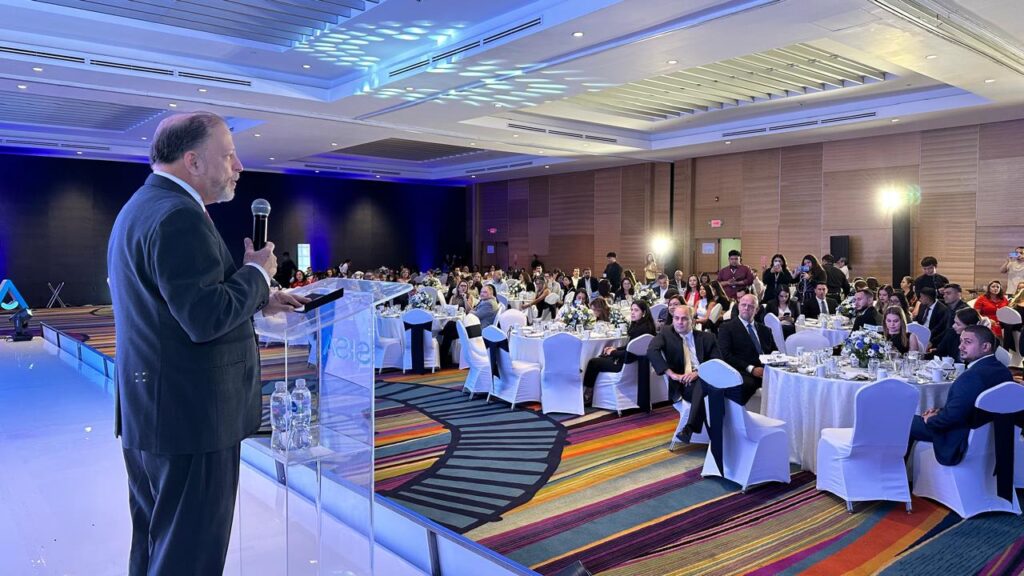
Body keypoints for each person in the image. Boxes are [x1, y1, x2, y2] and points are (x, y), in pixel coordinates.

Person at [107, 112, 308, 576]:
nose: (239, 166)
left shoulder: (144, 205)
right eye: (229, 155)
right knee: (190, 556)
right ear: (193, 161)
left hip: (156, 410)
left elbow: (178, 305)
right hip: (191, 418)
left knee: (158, 544)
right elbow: (204, 317)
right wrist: (256, 272)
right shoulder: (179, 216)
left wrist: (260, 295)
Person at [909, 325, 1012, 465]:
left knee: (904, 420)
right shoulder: (1003, 371)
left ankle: (894, 469)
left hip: (959, 437)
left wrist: (931, 419)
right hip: (994, 437)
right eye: (961, 341)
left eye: (967, 342)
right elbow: (970, 406)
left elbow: (951, 418)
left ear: (986, 346)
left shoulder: (972, 376)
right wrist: (939, 411)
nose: (960, 346)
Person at [648, 304, 722, 443]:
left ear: (692, 321)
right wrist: (672, 374)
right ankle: (702, 432)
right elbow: (652, 350)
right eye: (676, 318)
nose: (679, 322)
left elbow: (717, 361)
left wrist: (699, 373)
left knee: (704, 382)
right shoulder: (666, 334)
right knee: (706, 387)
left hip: (705, 380)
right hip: (682, 384)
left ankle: (690, 428)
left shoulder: (707, 337)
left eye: (684, 319)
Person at [582, 301, 657, 394]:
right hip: (637, 364)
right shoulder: (645, 326)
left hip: (627, 364)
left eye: (636, 310)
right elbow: (630, 347)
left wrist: (613, 352)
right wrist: (615, 349)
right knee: (602, 357)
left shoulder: (641, 330)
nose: (632, 313)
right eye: (631, 310)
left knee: (593, 362)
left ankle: (588, 392)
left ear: (644, 313)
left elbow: (631, 353)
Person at [717, 294, 776, 406]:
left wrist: (770, 368)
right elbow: (725, 355)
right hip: (744, 371)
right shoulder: (727, 328)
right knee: (742, 386)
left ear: (757, 310)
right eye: (743, 305)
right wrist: (751, 369)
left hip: (768, 371)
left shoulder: (765, 330)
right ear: (739, 306)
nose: (746, 308)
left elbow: (774, 352)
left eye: (751, 306)